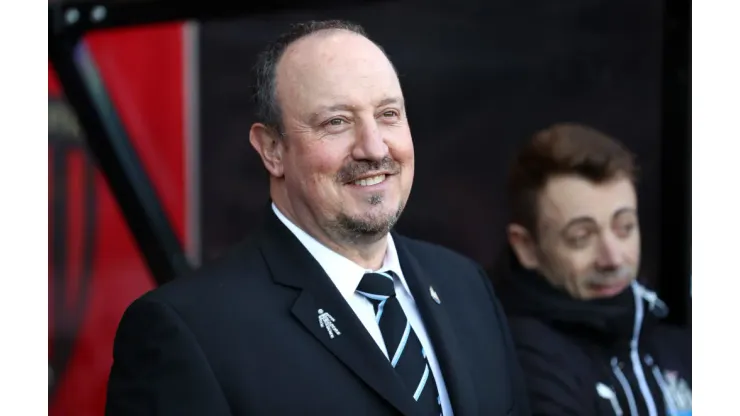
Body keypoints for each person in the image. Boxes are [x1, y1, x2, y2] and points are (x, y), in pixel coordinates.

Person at [105, 20, 530, 416]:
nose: (375, 148)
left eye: (388, 114)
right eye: (337, 122)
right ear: (272, 149)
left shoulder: (466, 287)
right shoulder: (188, 330)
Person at [495, 123, 691, 416]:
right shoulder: (523, 359)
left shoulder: (670, 338)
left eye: (624, 227)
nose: (612, 258)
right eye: (581, 238)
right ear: (526, 248)